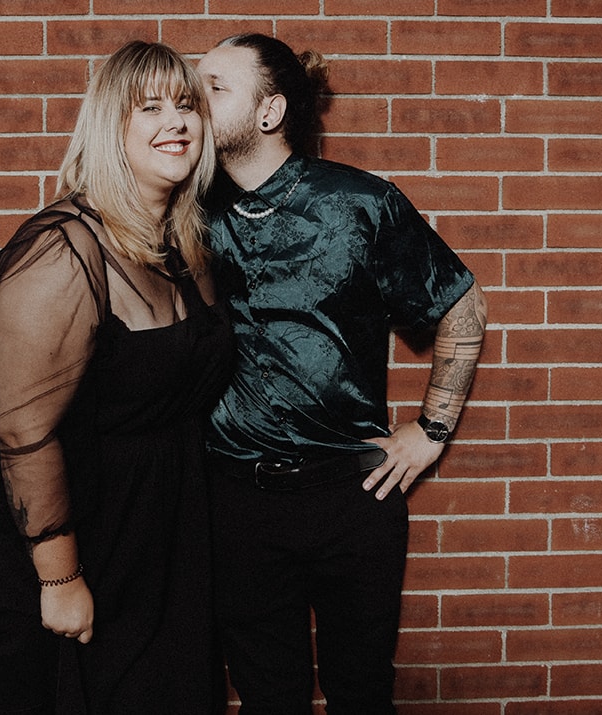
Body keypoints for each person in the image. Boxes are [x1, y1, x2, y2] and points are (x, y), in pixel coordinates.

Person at [0, 41, 236, 714]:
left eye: (187, 105)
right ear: (110, 126)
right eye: (149, 108)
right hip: (48, 529)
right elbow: (23, 430)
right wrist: (60, 579)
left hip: (147, 523)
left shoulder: (185, 241)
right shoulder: (62, 249)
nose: (177, 122)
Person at [196, 34, 489, 715]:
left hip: (350, 494)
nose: (192, 99)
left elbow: (462, 305)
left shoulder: (360, 204)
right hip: (234, 497)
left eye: (213, 86)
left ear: (269, 111)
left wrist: (432, 429)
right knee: (267, 697)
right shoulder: (186, 208)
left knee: (361, 693)